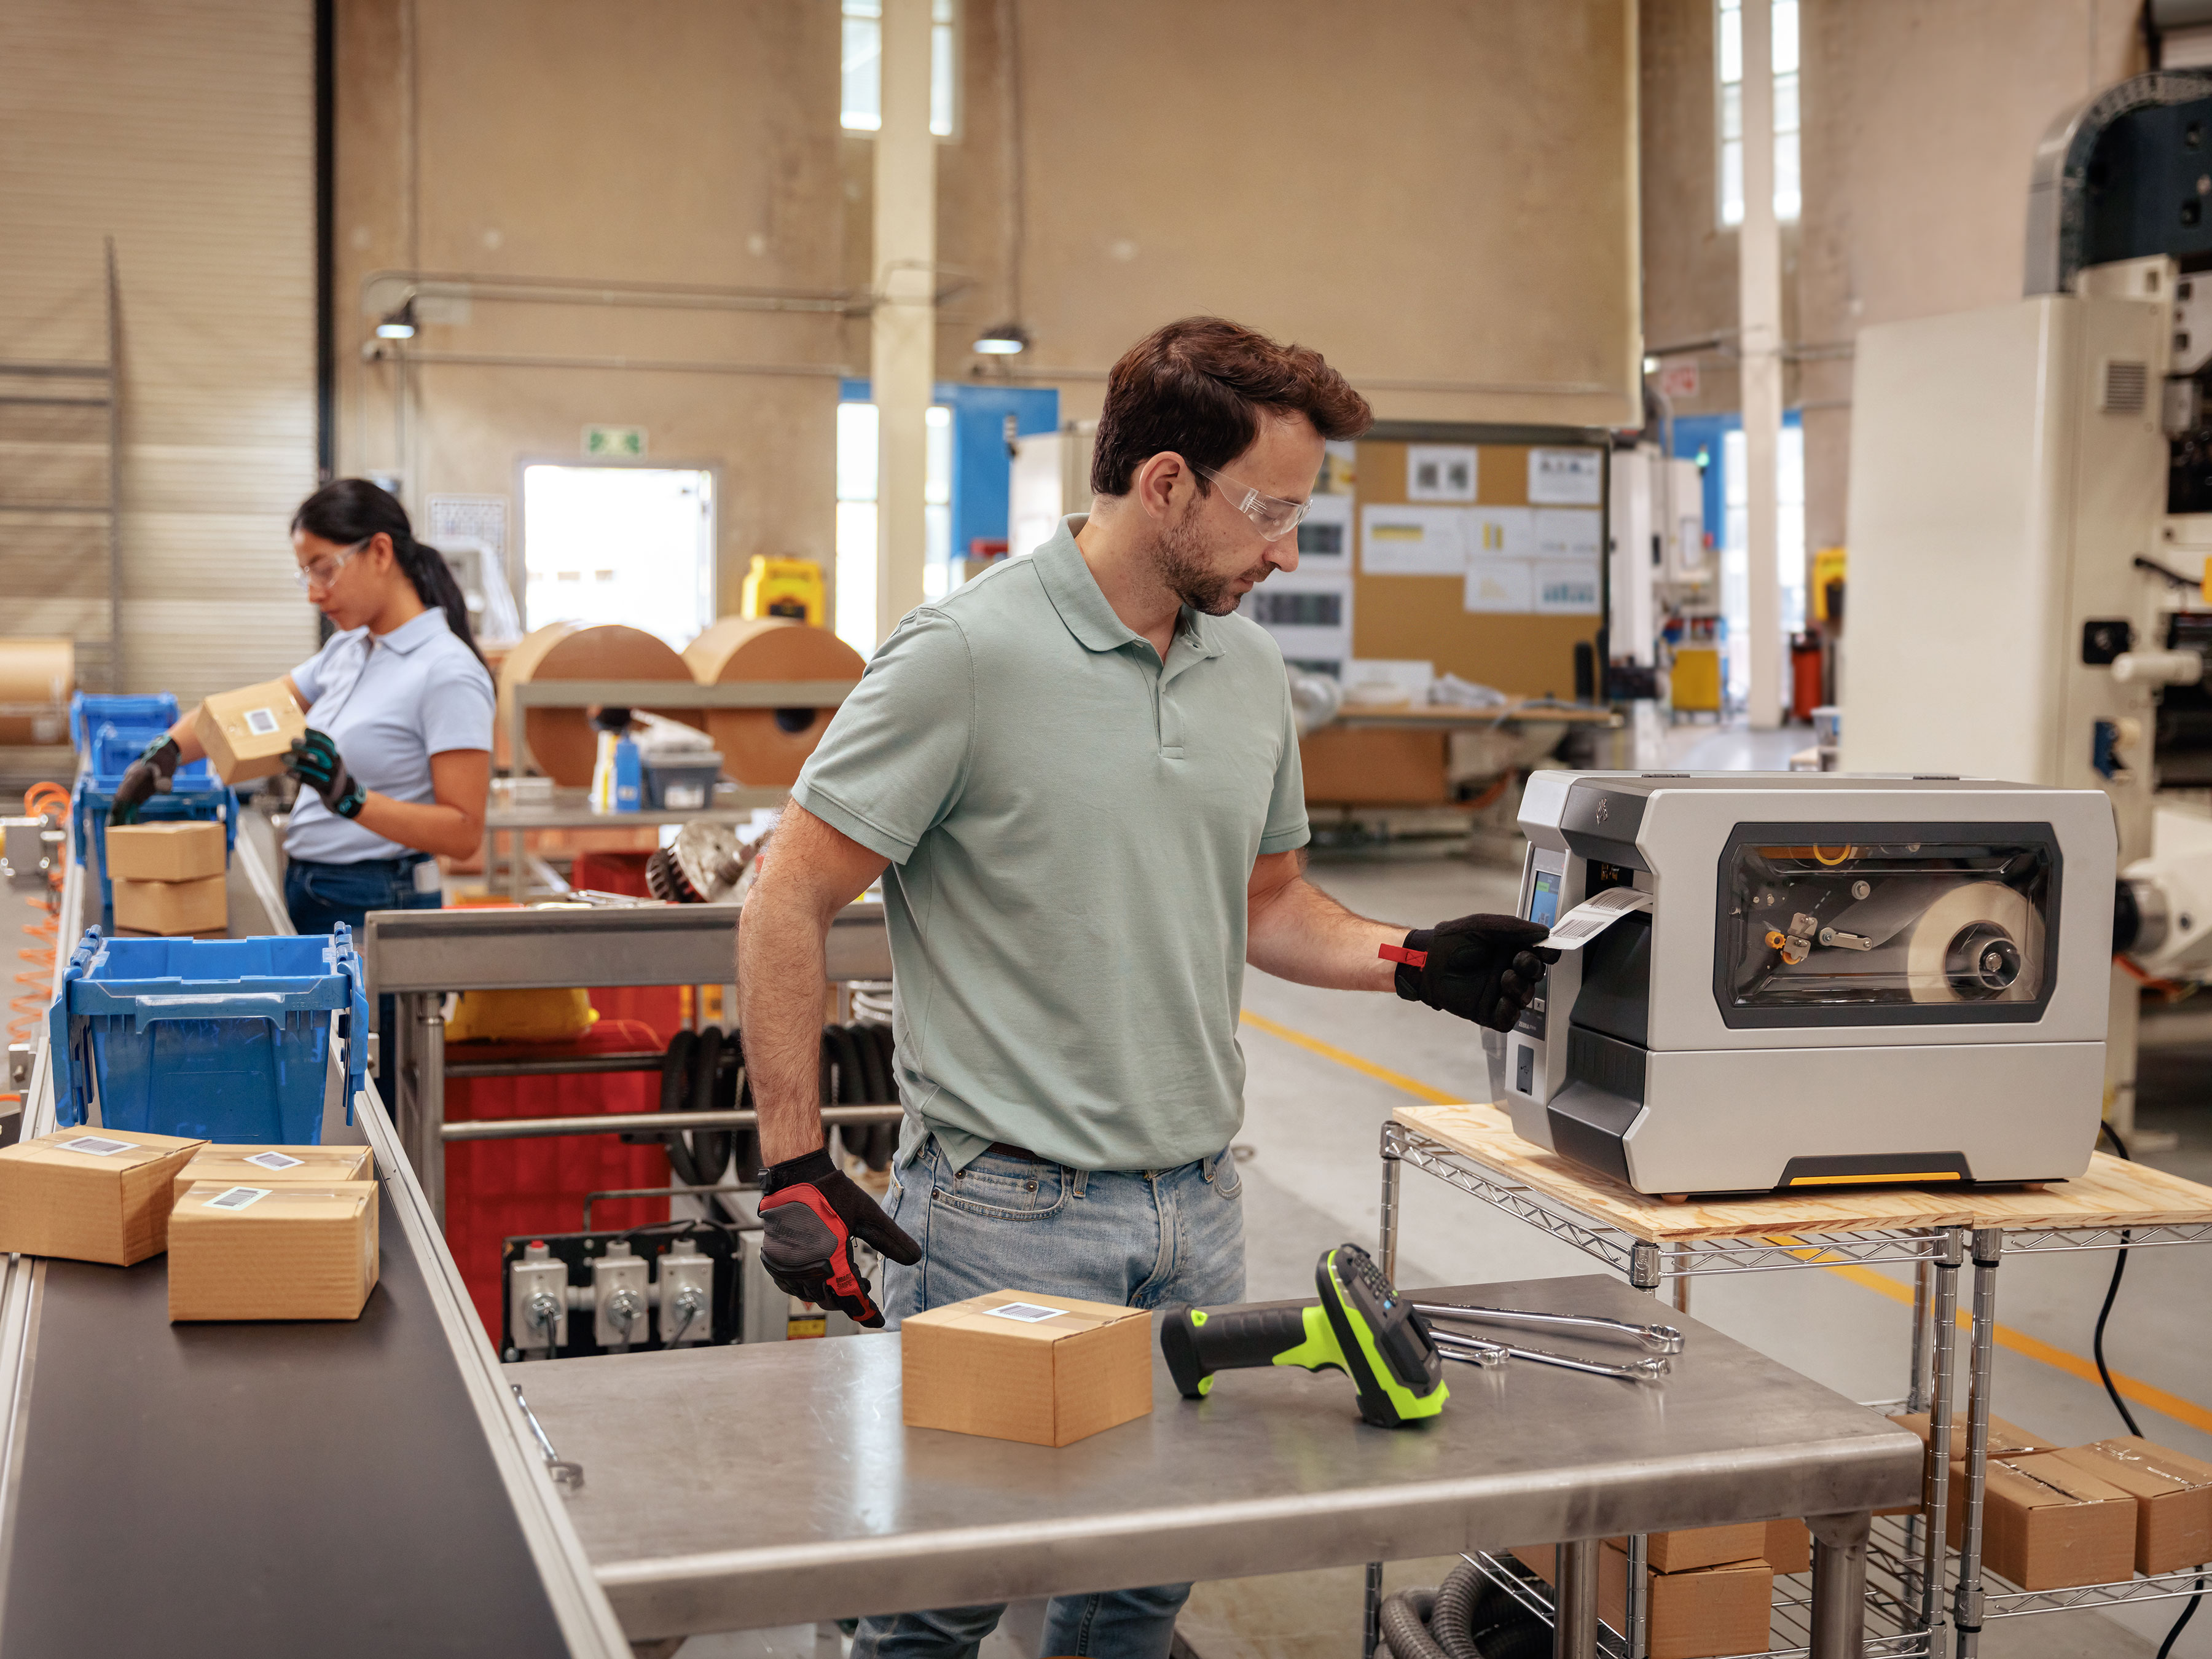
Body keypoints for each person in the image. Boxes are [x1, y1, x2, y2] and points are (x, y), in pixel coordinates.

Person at [736, 316, 1554, 1659]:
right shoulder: (966, 655)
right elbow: (789, 891)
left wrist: (1410, 962)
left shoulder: (1248, 671)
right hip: (1005, 1215)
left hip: (1197, 1207)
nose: (1287, 549)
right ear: (1167, 484)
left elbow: (1268, 901)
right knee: (937, 1600)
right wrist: (792, 1161)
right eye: (1269, 510)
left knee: (1137, 1591)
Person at [112, 480, 495, 1076]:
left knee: (367, 1099)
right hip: (315, 891)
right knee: (317, 1084)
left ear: (381, 553)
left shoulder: (447, 673)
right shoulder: (350, 652)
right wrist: (161, 757)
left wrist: (352, 800)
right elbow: (244, 712)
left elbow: (464, 831)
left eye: (325, 570)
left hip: (377, 906)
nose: (315, 592)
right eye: (304, 575)